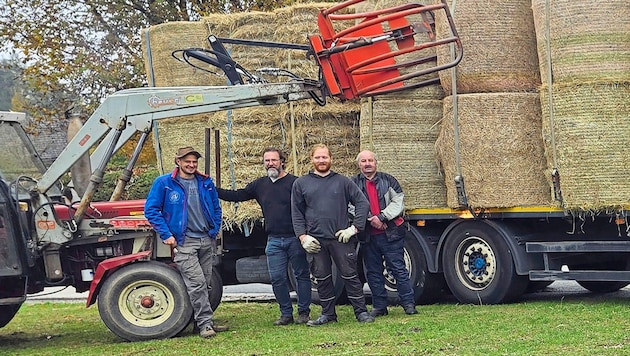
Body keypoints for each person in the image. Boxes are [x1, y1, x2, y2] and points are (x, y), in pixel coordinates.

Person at [216, 147, 311, 326]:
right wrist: (213, 189)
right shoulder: (260, 185)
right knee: (277, 278)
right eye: (267, 161)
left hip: (295, 238)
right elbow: (238, 195)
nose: (270, 164)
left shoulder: (295, 183)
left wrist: (306, 234)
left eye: (274, 160)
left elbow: (308, 206)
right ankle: (286, 314)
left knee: (301, 276)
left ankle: (304, 312)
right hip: (274, 240)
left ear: (282, 161)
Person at [144, 146, 228, 338]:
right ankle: (206, 324)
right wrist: (166, 234)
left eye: (194, 162)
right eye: (187, 161)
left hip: (206, 238)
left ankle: (200, 323)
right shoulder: (165, 183)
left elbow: (216, 207)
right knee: (197, 283)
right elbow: (151, 210)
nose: (191, 165)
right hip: (185, 241)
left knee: (206, 283)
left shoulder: (205, 182)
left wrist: (215, 228)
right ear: (178, 161)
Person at [291, 143, 374, 326]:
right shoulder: (301, 184)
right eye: (318, 157)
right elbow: (296, 213)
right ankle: (328, 314)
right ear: (312, 159)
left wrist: (354, 229)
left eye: (325, 157)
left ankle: (361, 312)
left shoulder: (343, 182)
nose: (321, 161)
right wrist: (303, 237)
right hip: (316, 240)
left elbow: (362, 203)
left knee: (350, 276)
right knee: (322, 278)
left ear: (331, 159)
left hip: (340, 238)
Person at [351, 150, 418, 316]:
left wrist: (381, 217)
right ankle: (379, 307)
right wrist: (369, 219)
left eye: (370, 160)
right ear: (359, 164)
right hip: (367, 235)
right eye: (363, 161)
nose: (367, 164)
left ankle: (408, 304)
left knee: (398, 269)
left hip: (391, 233)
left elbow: (398, 203)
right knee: (373, 272)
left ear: (376, 163)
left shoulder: (389, 180)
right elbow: (350, 206)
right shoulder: (352, 184)